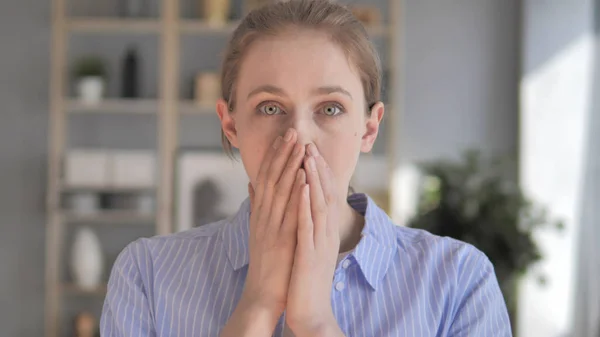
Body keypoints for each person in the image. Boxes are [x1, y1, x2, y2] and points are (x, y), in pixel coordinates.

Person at [100, 0, 512, 336]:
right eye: (270, 107)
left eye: (330, 108)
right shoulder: (147, 275)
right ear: (231, 124)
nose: (298, 135)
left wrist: (314, 321)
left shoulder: (458, 281)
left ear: (369, 128)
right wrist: (258, 305)